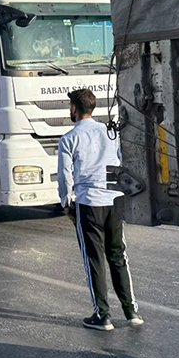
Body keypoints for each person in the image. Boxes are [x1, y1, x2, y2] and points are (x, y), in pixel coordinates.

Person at [58, 88, 142, 331]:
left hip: (89, 202)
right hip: (114, 199)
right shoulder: (110, 132)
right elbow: (122, 161)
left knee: (94, 259)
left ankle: (102, 315)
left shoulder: (69, 138)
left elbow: (65, 175)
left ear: (74, 109)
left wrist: (66, 202)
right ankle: (131, 311)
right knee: (118, 255)